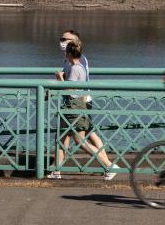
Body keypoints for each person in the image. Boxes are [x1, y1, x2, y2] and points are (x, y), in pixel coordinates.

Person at [48, 39, 120, 180]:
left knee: (80, 142)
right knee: (61, 139)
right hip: (70, 107)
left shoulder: (76, 68)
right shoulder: (75, 66)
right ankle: (56, 171)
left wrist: (59, 79)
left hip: (75, 107)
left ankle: (108, 166)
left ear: (69, 53)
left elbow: (70, 91)